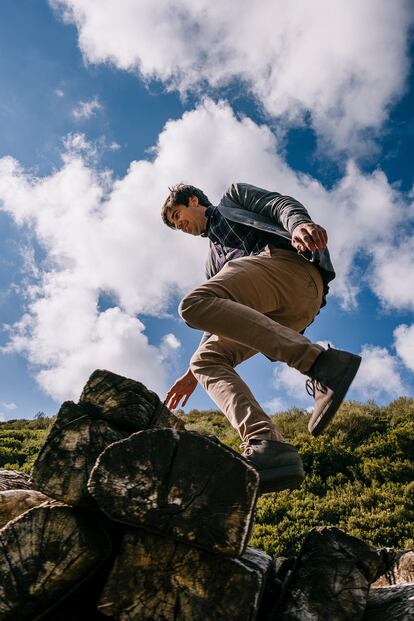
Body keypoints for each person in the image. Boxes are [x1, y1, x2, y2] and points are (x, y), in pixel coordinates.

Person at [161, 182, 361, 494]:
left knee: (192, 304)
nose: (179, 225)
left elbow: (278, 204)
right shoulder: (212, 263)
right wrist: (190, 375)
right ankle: (266, 443)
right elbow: (220, 318)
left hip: (291, 268)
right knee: (204, 361)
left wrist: (299, 225)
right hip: (285, 316)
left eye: (177, 215)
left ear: (194, 200)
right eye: (174, 225)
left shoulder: (233, 199)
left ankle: (318, 362)